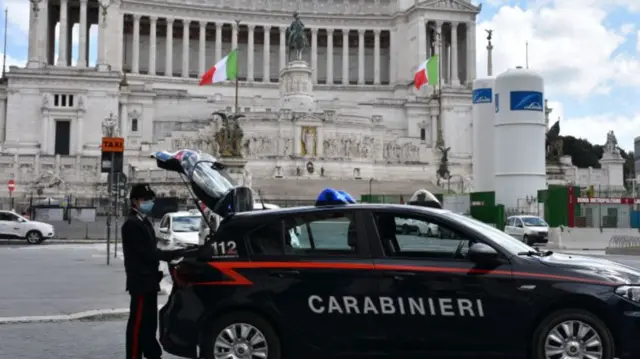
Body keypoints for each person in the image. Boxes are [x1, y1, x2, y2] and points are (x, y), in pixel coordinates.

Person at [122, 183, 186, 359]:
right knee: (138, 324)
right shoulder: (132, 224)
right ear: (135, 201)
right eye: (145, 199)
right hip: (141, 283)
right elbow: (148, 253)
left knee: (149, 324)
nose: (149, 202)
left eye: (150, 199)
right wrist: (173, 254)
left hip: (149, 281)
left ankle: (152, 354)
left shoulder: (144, 221)